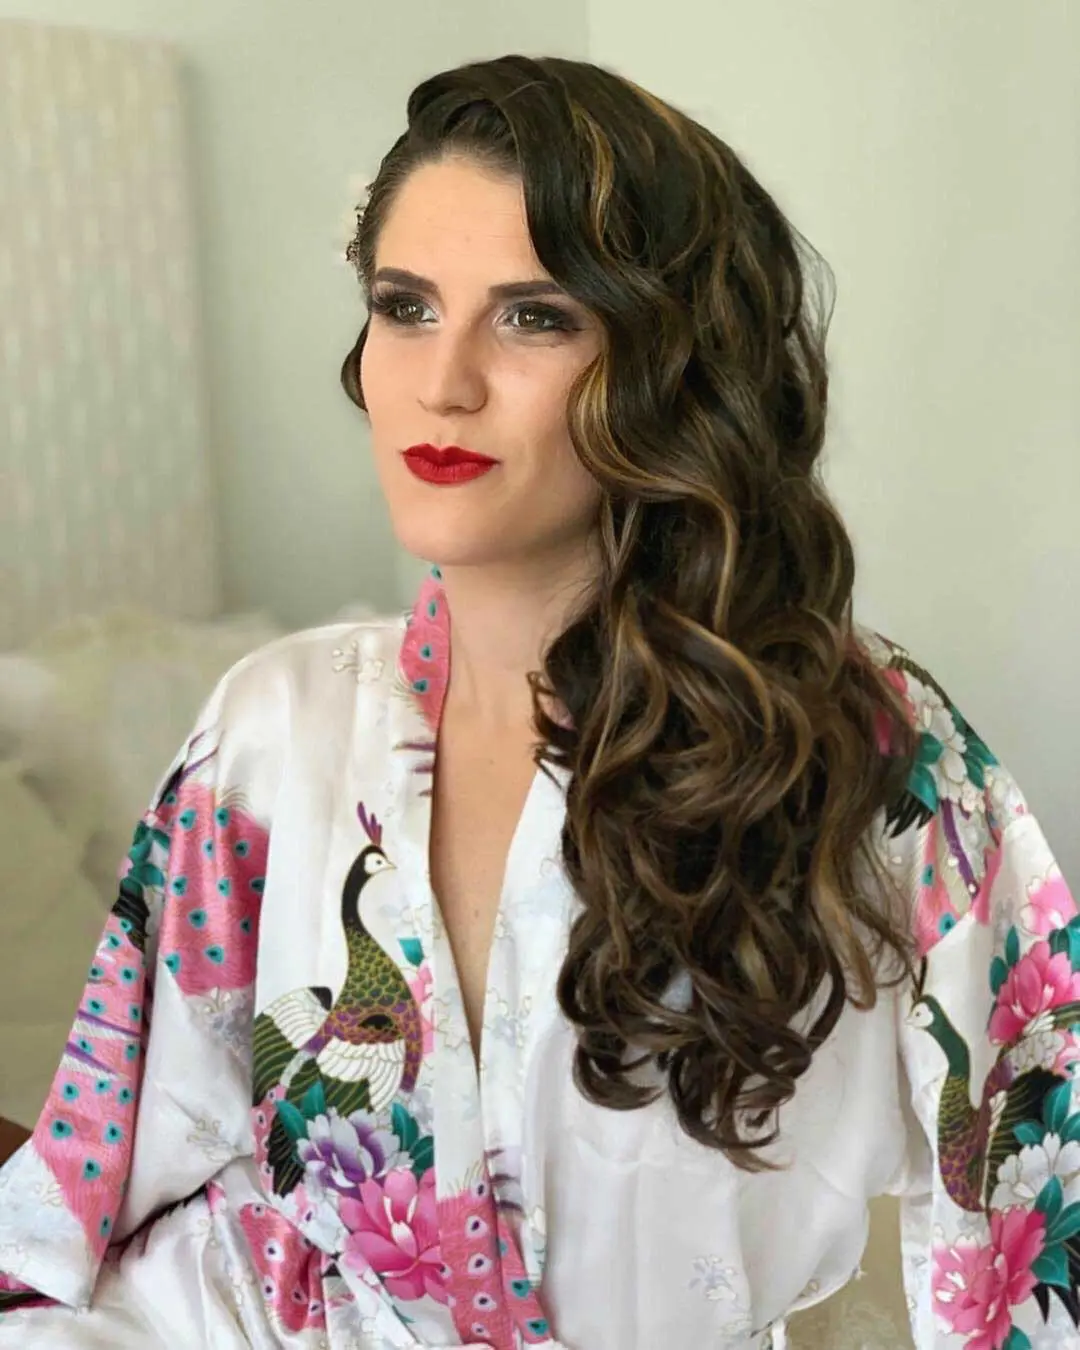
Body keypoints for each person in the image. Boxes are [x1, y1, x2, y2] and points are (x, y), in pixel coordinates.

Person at [0, 52, 1075, 1350]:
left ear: (674, 366)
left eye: (533, 317)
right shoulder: (274, 726)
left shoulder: (863, 747)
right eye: (405, 306)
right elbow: (103, 1166)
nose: (443, 381)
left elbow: (1034, 1194)